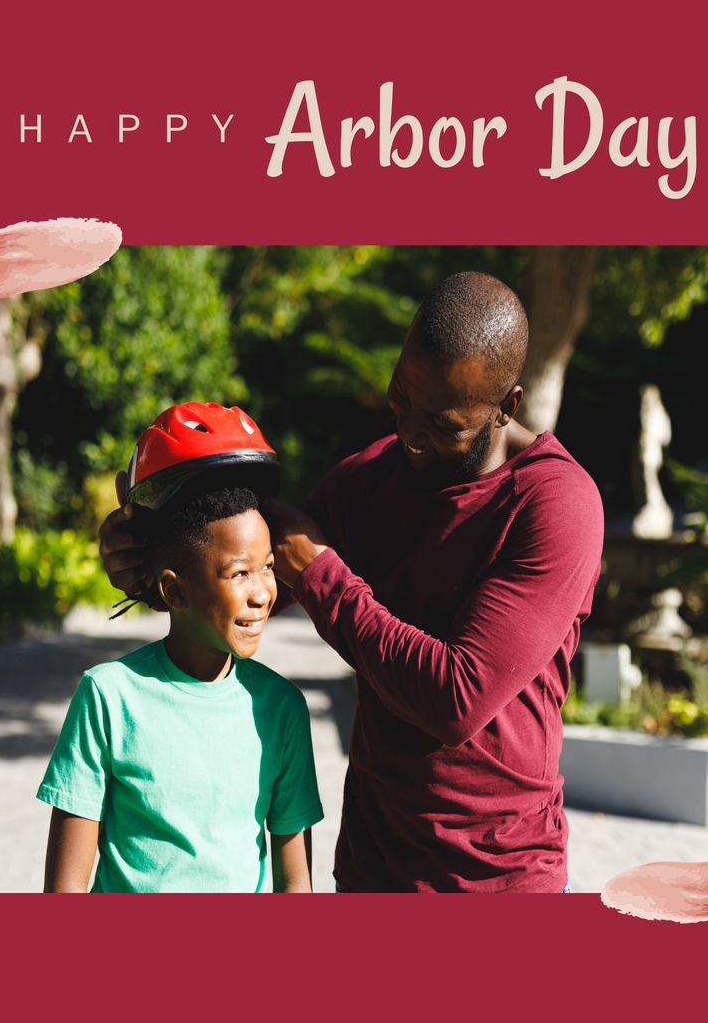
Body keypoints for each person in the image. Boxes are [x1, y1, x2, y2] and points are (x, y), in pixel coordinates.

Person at [100, 273, 603, 892]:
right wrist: (145, 558)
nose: (412, 437)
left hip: (501, 879)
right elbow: (236, 595)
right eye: (401, 400)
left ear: (508, 406)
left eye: (445, 425)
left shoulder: (555, 504)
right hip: (373, 868)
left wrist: (321, 571)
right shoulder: (365, 481)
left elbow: (457, 699)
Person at [40, 405, 324, 892]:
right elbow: (64, 889)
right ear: (174, 592)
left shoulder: (281, 709)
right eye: (239, 573)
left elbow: (296, 882)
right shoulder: (108, 698)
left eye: (268, 567)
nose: (263, 592)